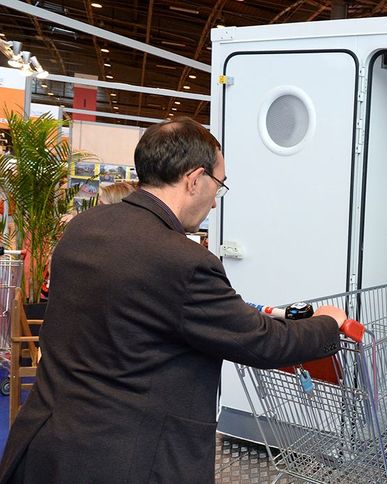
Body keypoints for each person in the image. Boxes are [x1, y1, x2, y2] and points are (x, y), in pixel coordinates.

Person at [0, 117, 346, 484]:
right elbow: (264, 343)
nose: (215, 201)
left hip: (46, 444)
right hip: (127, 459)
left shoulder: (84, 228)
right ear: (195, 179)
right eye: (219, 184)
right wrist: (328, 322)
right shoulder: (185, 261)